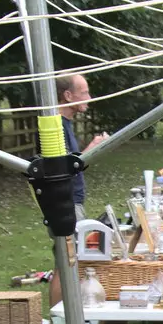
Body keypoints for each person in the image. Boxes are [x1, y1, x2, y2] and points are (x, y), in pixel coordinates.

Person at [56, 73, 109, 219]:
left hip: (74, 202)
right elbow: (64, 170)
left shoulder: (65, 123)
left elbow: (74, 164)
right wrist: (94, 146)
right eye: (84, 93)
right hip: (66, 205)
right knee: (73, 242)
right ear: (68, 96)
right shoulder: (56, 128)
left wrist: (95, 148)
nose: (89, 98)